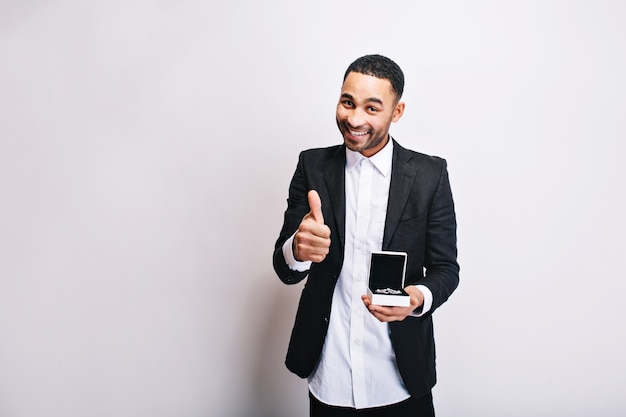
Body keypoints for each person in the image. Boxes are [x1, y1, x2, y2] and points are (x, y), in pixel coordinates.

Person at [273, 54, 459, 417]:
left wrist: (414, 298)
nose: (354, 119)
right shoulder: (311, 166)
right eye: (347, 102)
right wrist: (297, 248)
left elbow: (446, 270)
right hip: (330, 379)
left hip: (400, 378)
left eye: (372, 108)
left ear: (397, 111)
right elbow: (284, 268)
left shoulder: (429, 175)